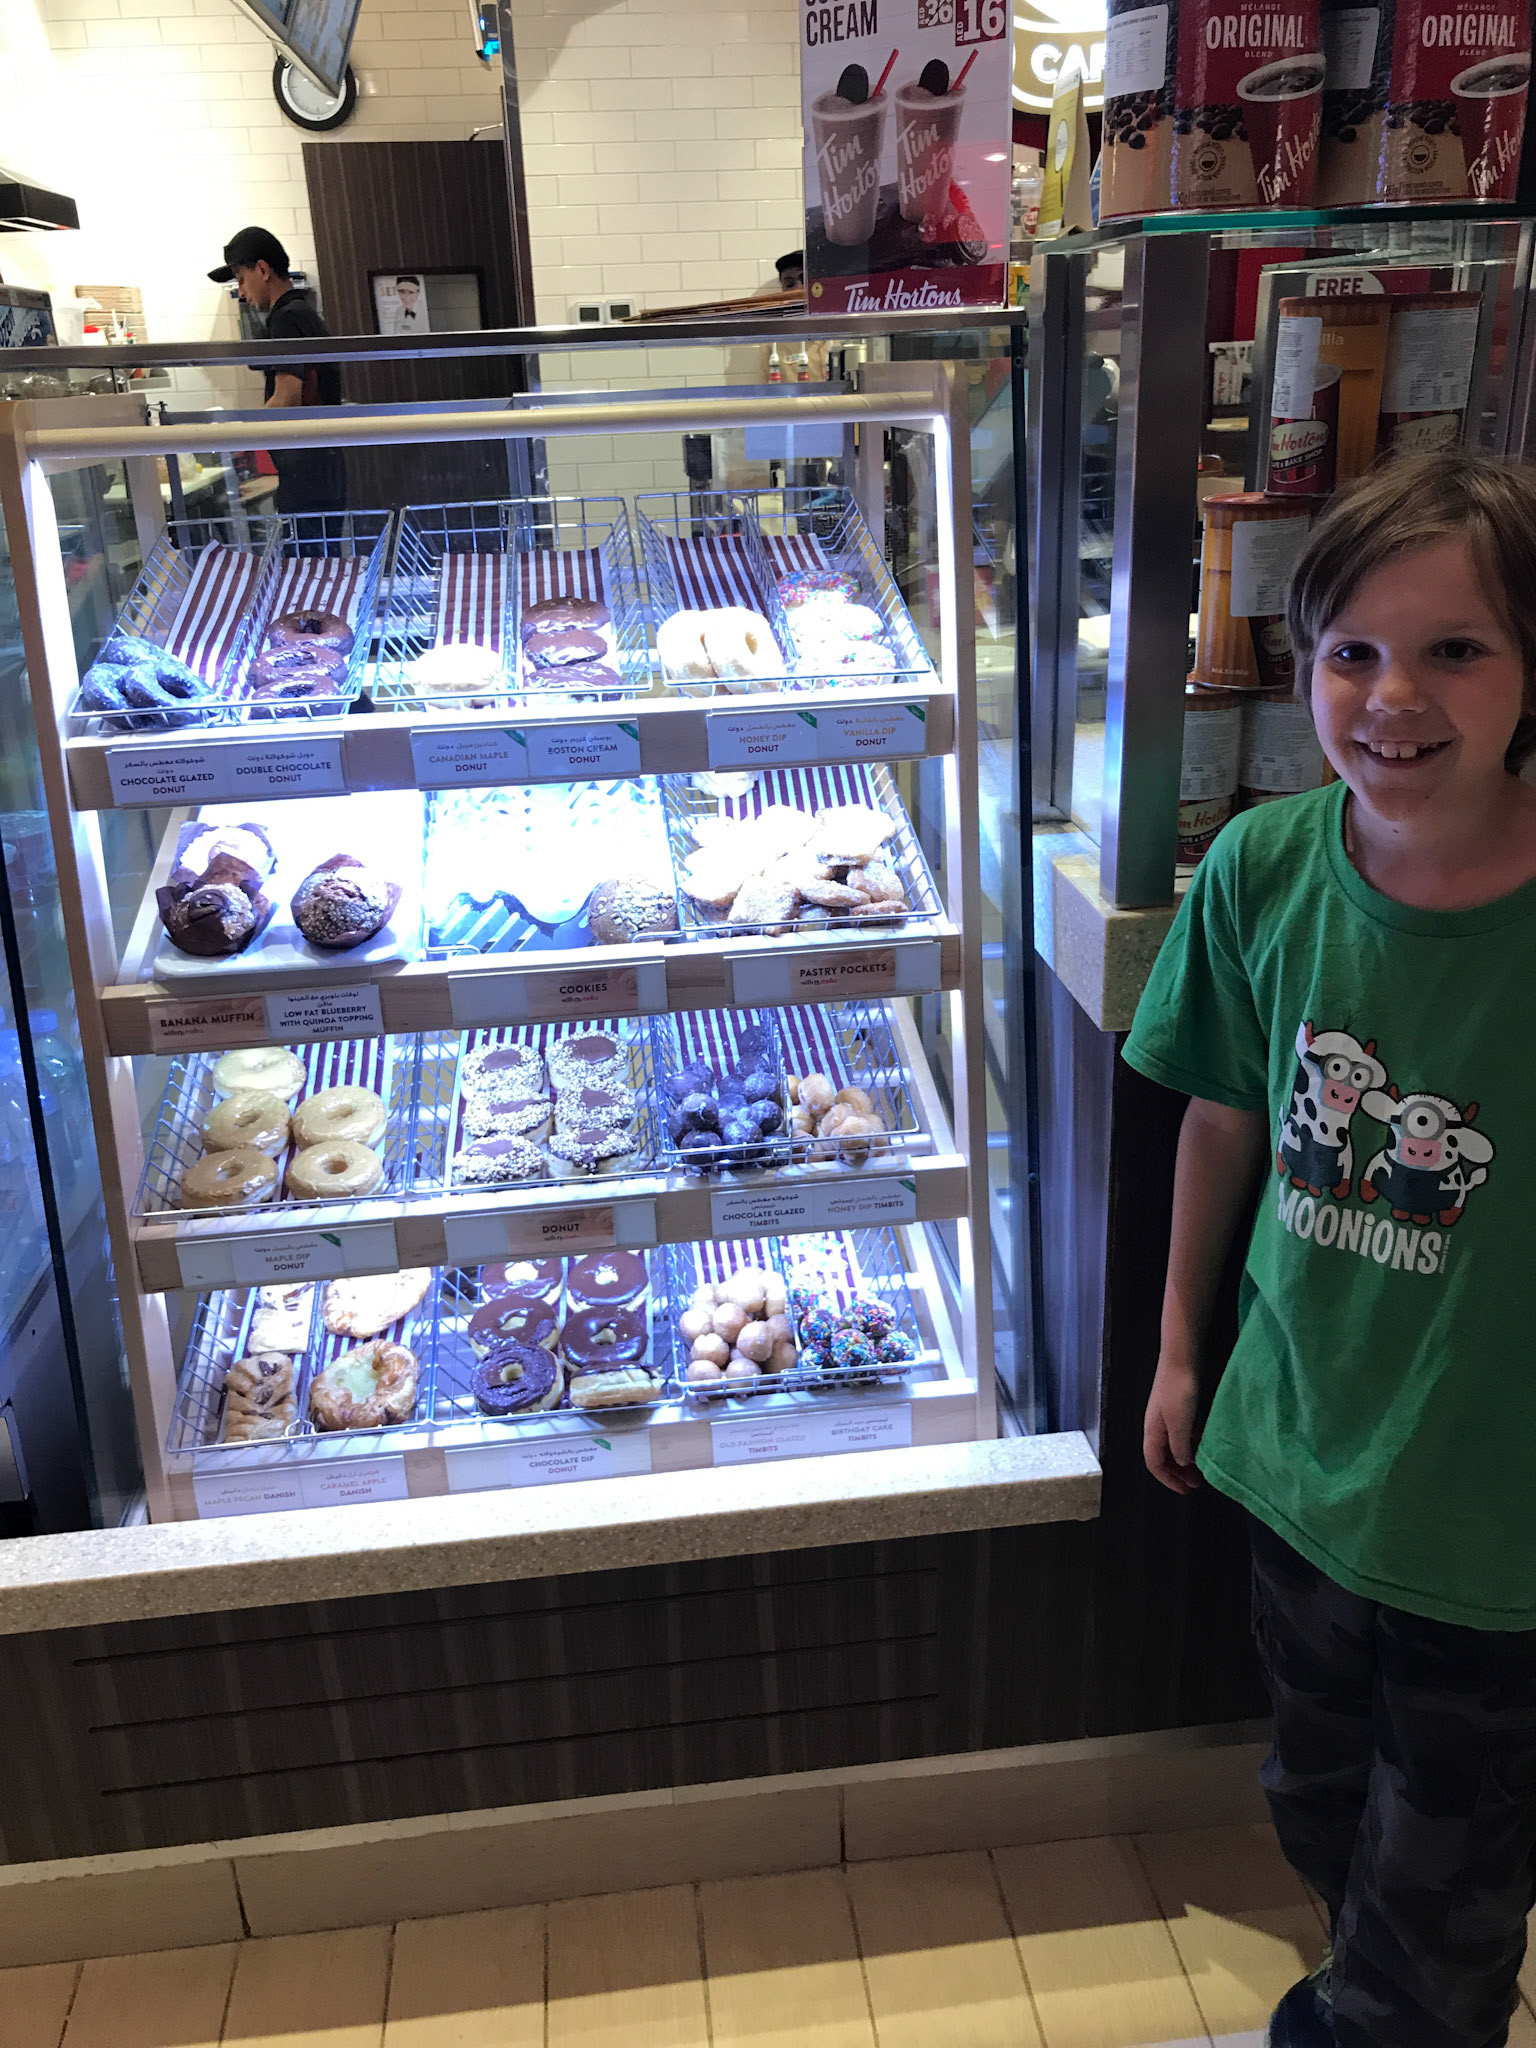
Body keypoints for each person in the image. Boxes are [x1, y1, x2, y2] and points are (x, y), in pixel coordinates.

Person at [1124, 452, 1536, 2048]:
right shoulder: (1265, 869)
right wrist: (1182, 1350)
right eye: (1352, 651)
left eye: (1456, 650)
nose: (1392, 698)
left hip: (1491, 1522)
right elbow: (1225, 1115)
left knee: (1443, 1895)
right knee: (1317, 1796)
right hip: (1299, 1455)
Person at [208, 226, 347, 514]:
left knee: (306, 545)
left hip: (307, 475)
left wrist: (240, 437)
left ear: (262, 270)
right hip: (322, 471)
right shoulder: (301, 312)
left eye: (241, 279)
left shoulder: (287, 318)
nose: (241, 292)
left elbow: (287, 399)